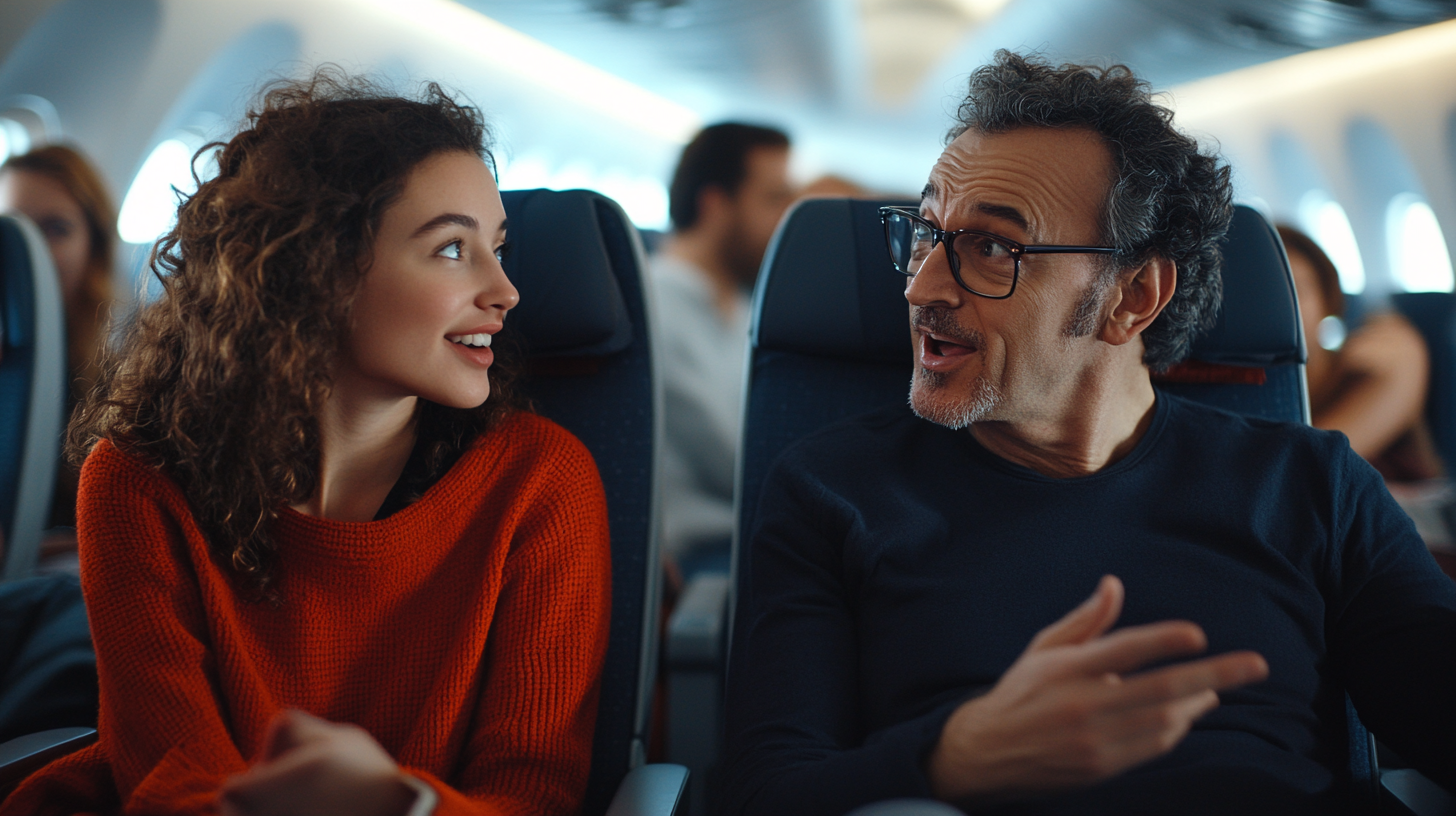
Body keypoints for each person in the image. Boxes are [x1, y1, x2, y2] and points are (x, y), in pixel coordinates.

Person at [722, 51, 1456, 815]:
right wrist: (952, 759)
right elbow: (763, 791)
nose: (921, 287)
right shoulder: (834, 490)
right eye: (926, 231)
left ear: (1134, 296)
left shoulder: (1311, 486)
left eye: (994, 248)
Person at [1, 71, 611, 816]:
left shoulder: (539, 481)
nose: (505, 290)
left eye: (500, 246)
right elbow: (171, 776)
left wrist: (396, 803)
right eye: (453, 249)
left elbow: (532, 793)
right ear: (316, 269)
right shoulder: (137, 479)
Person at [652, 122, 794, 577]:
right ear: (716, 205)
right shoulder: (656, 306)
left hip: (754, 539)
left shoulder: (745, 306)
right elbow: (735, 460)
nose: (787, 218)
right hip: (702, 561)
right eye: (774, 199)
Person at [0, 144, 118, 560]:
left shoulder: (125, 379)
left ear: (94, 249)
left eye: (54, 230)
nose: (31, 253)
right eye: (15, 232)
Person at [1279, 224, 1442, 481]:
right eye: (1269, 293)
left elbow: (1306, 468)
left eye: (1297, 289)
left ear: (1328, 300)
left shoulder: (1387, 354)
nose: (1283, 306)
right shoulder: (1243, 389)